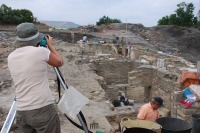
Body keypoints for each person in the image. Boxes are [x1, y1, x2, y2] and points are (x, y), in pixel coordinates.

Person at [7, 23, 63, 133]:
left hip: (21, 111)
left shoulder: (11, 56)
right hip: (41, 108)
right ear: (36, 38)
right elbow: (59, 62)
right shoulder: (41, 51)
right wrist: (50, 45)